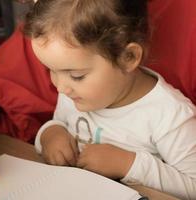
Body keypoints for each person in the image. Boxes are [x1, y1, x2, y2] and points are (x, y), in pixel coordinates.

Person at [22, 0, 196, 199]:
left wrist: (128, 164)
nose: (60, 87)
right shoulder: (74, 92)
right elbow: (60, 122)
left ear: (128, 57)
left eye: (77, 75)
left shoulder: (170, 115)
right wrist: (50, 133)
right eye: (51, 70)